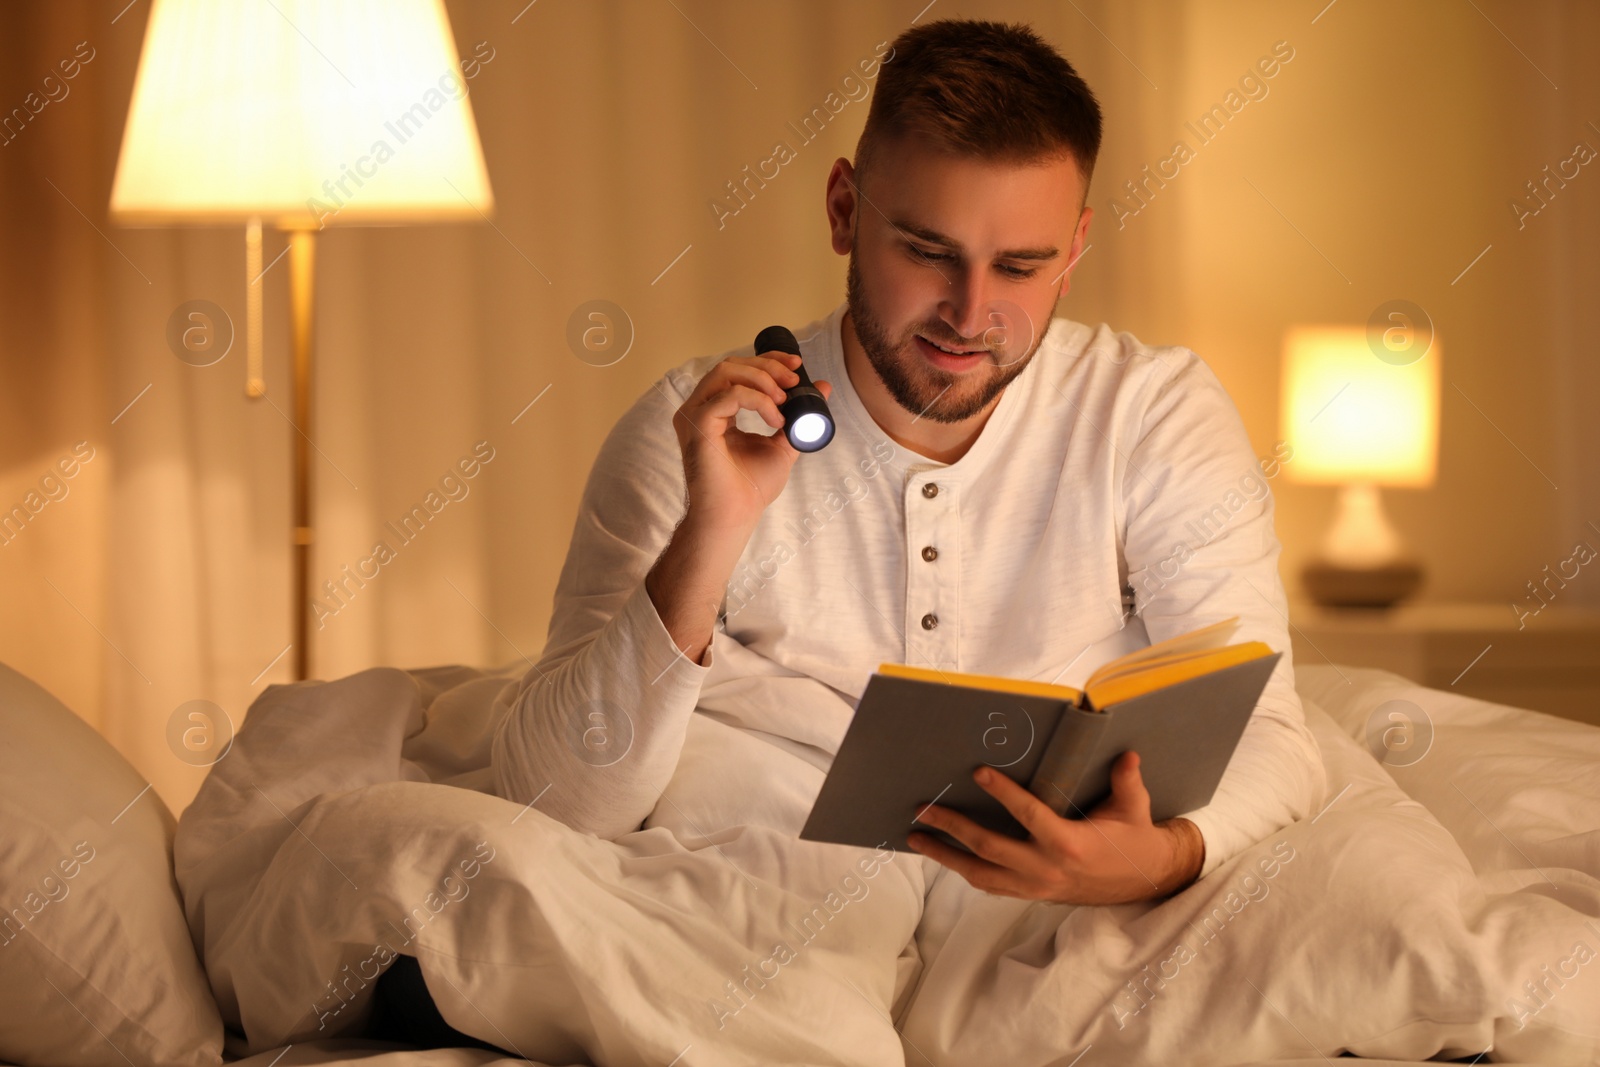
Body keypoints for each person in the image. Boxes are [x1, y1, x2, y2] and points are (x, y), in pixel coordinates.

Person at [487, 15, 1325, 1060]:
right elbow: (552, 797)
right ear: (844, 210)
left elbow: (1275, 736)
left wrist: (1155, 860)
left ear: (1076, 249)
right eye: (928, 252)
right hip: (765, 874)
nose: (970, 314)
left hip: (1070, 895)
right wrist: (713, 531)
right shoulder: (691, 428)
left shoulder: (1152, 413)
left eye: (1021, 266)